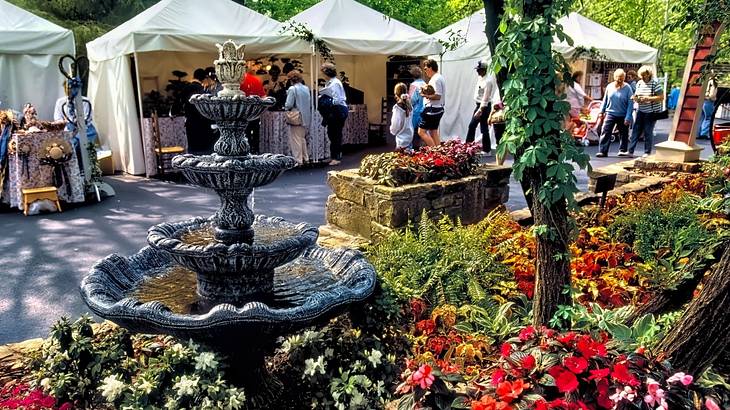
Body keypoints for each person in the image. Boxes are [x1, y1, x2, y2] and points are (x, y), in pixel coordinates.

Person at [628, 65, 664, 158]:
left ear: (649, 74)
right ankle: (630, 150)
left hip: (652, 111)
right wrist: (636, 98)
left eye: (644, 75)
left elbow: (661, 97)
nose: (643, 78)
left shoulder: (655, 84)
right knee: (636, 130)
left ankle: (647, 151)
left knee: (648, 131)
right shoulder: (639, 83)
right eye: (641, 76)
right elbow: (637, 95)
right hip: (641, 109)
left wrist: (648, 98)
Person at [596, 69, 634, 158]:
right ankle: (603, 151)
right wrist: (601, 111)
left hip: (623, 114)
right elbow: (605, 100)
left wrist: (628, 117)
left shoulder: (628, 88)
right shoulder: (609, 87)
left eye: (622, 79)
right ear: (614, 78)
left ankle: (623, 150)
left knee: (624, 133)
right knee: (605, 131)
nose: (620, 81)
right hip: (610, 113)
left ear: (624, 78)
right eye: (618, 79)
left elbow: (630, 103)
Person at [319, 62, 348, 165]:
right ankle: (333, 156)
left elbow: (338, 99)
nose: (321, 74)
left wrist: (326, 101)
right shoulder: (332, 82)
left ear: (326, 73)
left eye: (322, 72)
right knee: (332, 133)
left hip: (337, 110)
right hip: (336, 110)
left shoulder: (335, 83)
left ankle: (336, 158)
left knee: (335, 133)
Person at [465, 60, 496, 153]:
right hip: (479, 105)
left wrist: (480, 110)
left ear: (484, 70)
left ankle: (468, 146)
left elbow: (485, 98)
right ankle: (486, 149)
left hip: (483, 107)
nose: (477, 71)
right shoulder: (481, 78)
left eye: (479, 70)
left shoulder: (488, 81)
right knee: (482, 128)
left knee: (473, 126)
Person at [284, 70, 311, 166]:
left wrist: (285, 107)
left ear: (291, 79)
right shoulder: (306, 88)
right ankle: (305, 157)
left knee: (295, 139)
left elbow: (289, 104)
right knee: (302, 138)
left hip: (296, 115)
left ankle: (298, 160)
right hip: (305, 116)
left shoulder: (292, 89)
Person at [184, 68, 214, 154]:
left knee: (193, 150)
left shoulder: (186, 88)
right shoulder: (203, 90)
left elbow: (176, 106)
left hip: (190, 123)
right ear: (204, 78)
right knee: (204, 150)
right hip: (204, 124)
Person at [240, 61, 267, 153]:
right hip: (255, 112)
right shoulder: (255, 80)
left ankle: (244, 150)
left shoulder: (237, 81)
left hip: (241, 113)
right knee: (255, 133)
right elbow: (264, 98)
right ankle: (255, 151)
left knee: (244, 133)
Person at [389, 83, 413, 149]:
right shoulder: (410, 105)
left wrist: (392, 131)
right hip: (410, 136)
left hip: (401, 140)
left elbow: (395, 124)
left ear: (396, 93)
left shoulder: (397, 108)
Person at [408, 66, 426, 148]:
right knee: (423, 132)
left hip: (416, 111)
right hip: (425, 110)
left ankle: (411, 149)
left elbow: (412, 100)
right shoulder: (425, 84)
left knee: (411, 131)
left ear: (412, 75)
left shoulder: (413, 85)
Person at [698, 72, 718, 140]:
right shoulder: (713, 82)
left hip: (701, 100)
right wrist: (711, 98)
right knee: (708, 117)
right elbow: (712, 94)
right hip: (708, 101)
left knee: (701, 117)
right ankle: (704, 134)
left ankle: (697, 133)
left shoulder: (703, 80)